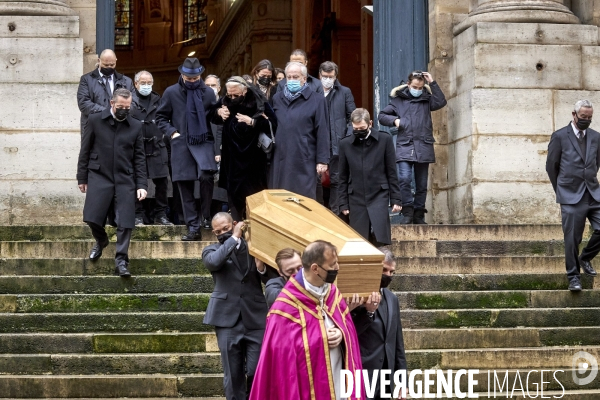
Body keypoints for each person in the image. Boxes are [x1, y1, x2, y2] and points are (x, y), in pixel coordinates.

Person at [250, 240, 363, 400]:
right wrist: (321, 338)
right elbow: (282, 357)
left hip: (339, 379)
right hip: (306, 386)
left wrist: (341, 333)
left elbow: (346, 327)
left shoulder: (333, 293)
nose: (337, 268)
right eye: (333, 264)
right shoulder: (284, 306)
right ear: (315, 268)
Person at [202, 212, 278, 400]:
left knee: (256, 370)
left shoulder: (254, 248)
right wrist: (234, 236)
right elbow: (214, 263)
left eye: (226, 228)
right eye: (218, 231)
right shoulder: (211, 251)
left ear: (235, 224)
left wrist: (261, 267)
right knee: (233, 373)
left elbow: (273, 280)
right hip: (226, 319)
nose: (222, 233)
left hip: (255, 316)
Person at [76, 88, 147, 277]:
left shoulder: (136, 126)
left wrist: (142, 185)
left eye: (128, 106)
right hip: (99, 174)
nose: (125, 110)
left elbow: (140, 158)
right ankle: (101, 240)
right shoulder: (95, 120)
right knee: (91, 217)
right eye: (121, 106)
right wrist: (81, 177)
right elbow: (85, 150)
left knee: (126, 221)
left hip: (125, 178)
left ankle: (121, 261)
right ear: (112, 103)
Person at [156, 58, 218, 240]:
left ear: (200, 75)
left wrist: (220, 113)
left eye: (195, 78)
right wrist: (172, 132)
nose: (192, 81)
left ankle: (205, 216)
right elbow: (160, 117)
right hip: (181, 143)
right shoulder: (171, 92)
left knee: (206, 177)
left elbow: (214, 116)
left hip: (203, 141)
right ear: (182, 75)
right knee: (184, 184)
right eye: (188, 78)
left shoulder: (208, 93)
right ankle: (193, 227)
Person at [378, 70, 447, 224]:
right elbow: (382, 116)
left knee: (422, 184)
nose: (417, 90)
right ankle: (407, 211)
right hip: (405, 145)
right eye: (415, 86)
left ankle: (418, 215)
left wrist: (432, 82)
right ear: (408, 84)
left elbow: (441, 102)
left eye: (420, 87)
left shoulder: (427, 99)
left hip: (424, 145)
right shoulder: (398, 100)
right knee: (404, 178)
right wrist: (395, 120)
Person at [546, 99, 600, 292]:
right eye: (583, 117)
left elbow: (595, 163)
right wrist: (562, 190)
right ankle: (573, 277)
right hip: (570, 196)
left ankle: (585, 257)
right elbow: (551, 167)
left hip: (593, 193)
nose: (586, 120)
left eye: (589, 117)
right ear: (574, 114)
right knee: (572, 239)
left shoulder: (596, 137)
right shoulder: (560, 136)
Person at [213, 76, 277, 220]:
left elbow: (273, 123)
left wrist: (253, 122)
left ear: (245, 90)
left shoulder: (258, 101)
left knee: (254, 199)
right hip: (231, 160)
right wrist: (219, 113)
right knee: (234, 200)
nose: (232, 98)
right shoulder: (225, 100)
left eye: (236, 95)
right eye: (230, 95)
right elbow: (210, 114)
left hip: (253, 161)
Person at [339, 108, 402, 246]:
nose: (358, 131)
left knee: (380, 238)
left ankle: (383, 266)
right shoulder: (345, 144)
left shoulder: (384, 140)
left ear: (370, 124)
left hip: (379, 194)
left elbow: (391, 171)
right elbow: (342, 177)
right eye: (355, 128)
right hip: (356, 196)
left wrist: (396, 199)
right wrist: (343, 203)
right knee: (359, 241)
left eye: (362, 128)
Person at [351, 248, 407, 400]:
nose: (388, 275)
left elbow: (397, 343)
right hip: (362, 375)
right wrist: (368, 312)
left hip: (385, 379)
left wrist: (402, 381)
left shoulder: (392, 299)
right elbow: (349, 333)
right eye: (384, 270)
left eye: (391, 272)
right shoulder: (355, 296)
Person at [269, 61, 330, 199]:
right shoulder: (277, 98)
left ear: (304, 78)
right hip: (280, 157)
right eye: (288, 77)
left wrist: (322, 160)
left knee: (303, 200)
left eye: (295, 77)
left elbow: (322, 131)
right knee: (280, 198)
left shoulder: (317, 100)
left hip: (304, 157)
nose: (291, 80)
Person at [130, 70, 172, 226]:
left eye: (149, 83)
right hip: (137, 149)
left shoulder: (159, 100)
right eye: (143, 83)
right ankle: (137, 215)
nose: (146, 86)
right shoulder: (131, 101)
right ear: (136, 84)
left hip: (157, 147)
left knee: (162, 182)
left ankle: (161, 214)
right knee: (136, 181)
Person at [319, 61, 356, 215]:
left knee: (337, 181)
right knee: (315, 182)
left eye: (331, 77)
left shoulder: (344, 92)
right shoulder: (312, 91)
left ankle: (335, 216)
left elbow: (352, 116)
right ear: (319, 75)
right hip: (317, 144)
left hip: (337, 144)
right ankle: (318, 214)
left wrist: (345, 138)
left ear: (335, 76)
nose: (328, 79)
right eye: (325, 76)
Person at [77, 49, 135, 134]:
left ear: (116, 61)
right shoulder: (86, 79)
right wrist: (109, 112)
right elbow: (84, 103)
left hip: (120, 126)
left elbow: (134, 103)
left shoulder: (126, 81)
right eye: (106, 65)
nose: (109, 67)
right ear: (99, 61)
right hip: (95, 127)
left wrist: (120, 111)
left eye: (112, 65)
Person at [205, 74, 224, 165]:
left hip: (222, 151)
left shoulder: (225, 105)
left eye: (213, 85)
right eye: (207, 86)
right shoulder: (199, 106)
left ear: (219, 88)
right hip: (205, 151)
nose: (210, 88)